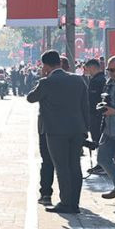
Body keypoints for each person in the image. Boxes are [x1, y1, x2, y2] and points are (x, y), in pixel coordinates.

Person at [27, 49, 91, 214]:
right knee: (74, 166)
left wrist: (43, 77)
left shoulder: (46, 82)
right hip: (77, 129)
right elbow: (85, 106)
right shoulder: (78, 80)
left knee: (62, 167)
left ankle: (65, 203)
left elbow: (30, 98)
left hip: (56, 132)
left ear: (45, 65)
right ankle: (74, 203)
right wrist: (86, 130)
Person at [95, 56, 115, 207]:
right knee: (102, 158)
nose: (110, 73)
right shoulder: (109, 82)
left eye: (113, 70)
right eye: (108, 69)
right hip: (108, 128)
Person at [84, 58, 107, 173]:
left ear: (92, 67)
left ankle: (102, 164)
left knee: (98, 139)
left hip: (98, 115)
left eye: (87, 68)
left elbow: (97, 99)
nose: (86, 71)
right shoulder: (96, 79)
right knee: (96, 138)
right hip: (95, 115)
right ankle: (100, 163)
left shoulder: (99, 80)